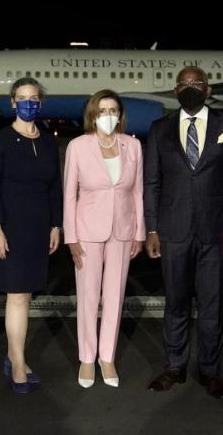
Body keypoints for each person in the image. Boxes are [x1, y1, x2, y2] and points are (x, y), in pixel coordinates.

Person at [143, 66, 223, 400]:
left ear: (208, 89)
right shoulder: (159, 129)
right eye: (184, 84)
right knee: (175, 303)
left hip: (215, 233)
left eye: (196, 83)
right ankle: (174, 367)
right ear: (175, 91)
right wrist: (152, 229)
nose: (190, 88)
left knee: (212, 305)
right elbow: (152, 183)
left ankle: (210, 370)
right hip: (172, 232)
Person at [0, 77, 61, 393]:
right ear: (12, 102)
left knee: (26, 295)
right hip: (10, 227)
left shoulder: (48, 141)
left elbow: (54, 188)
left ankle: (13, 356)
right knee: (18, 295)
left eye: (33, 97)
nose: (28, 103)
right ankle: (19, 365)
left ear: (40, 102)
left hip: (38, 228)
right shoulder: (1, 140)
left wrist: (55, 225)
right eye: (22, 98)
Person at [63, 89, 144, 388]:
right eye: (102, 110)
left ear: (120, 115)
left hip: (122, 231)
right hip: (87, 232)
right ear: (92, 115)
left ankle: (106, 356)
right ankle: (87, 357)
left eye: (113, 110)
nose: (108, 116)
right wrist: (71, 236)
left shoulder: (133, 146)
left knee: (114, 296)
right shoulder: (78, 146)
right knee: (88, 296)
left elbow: (137, 192)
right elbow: (70, 194)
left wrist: (139, 231)